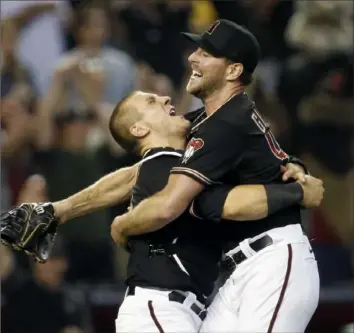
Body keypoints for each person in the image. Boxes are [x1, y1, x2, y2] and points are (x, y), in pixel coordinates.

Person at [1, 91, 322, 332]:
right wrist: (295, 192)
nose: (166, 98)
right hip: (159, 311)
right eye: (152, 102)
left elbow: (131, 175)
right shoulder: (166, 165)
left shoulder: (168, 162)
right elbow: (233, 204)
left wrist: (60, 210)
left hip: (182, 312)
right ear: (140, 129)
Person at [111, 20, 322, 333]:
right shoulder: (208, 120)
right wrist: (63, 210)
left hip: (273, 261)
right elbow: (135, 172)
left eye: (206, 53)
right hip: (238, 272)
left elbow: (171, 204)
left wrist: (121, 225)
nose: (193, 58)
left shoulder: (226, 123)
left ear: (233, 71)